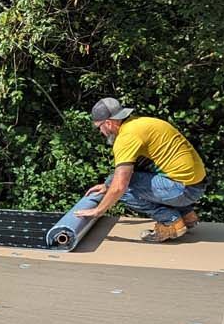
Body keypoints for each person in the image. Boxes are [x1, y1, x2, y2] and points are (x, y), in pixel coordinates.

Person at [76, 98, 207, 242]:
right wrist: (106, 185)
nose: (101, 132)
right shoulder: (142, 123)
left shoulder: (126, 137)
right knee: (122, 181)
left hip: (182, 190)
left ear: (108, 123)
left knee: (123, 190)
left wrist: (98, 211)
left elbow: (120, 186)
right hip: (195, 185)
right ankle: (186, 215)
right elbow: (138, 167)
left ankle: (171, 222)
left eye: (99, 127)